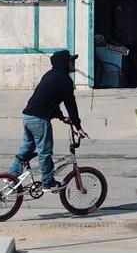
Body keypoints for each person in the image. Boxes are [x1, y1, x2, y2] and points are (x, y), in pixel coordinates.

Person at [9, 50, 87, 191]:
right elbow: (71, 104)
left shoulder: (50, 75)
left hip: (28, 117)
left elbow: (49, 99)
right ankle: (48, 182)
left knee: (27, 148)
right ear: (64, 63)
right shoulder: (65, 81)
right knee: (45, 152)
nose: (74, 63)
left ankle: (12, 177)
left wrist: (61, 117)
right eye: (71, 60)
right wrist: (78, 127)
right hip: (40, 120)